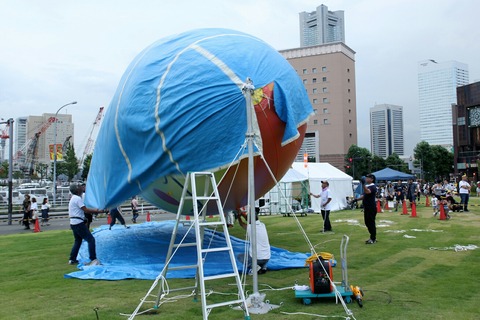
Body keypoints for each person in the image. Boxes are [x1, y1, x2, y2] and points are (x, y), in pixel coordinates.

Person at [68, 183, 105, 266]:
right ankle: (93, 259)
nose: (82, 188)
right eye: (80, 187)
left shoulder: (73, 198)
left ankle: (72, 259)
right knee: (91, 239)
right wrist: (98, 211)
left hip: (73, 223)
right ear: (77, 190)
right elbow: (86, 210)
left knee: (78, 241)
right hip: (78, 223)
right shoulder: (77, 198)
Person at [355, 173, 378, 244]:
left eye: (368, 178)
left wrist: (363, 184)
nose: (366, 179)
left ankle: (373, 238)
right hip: (367, 207)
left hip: (371, 207)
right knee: (367, 222)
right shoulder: (368, 186)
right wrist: (356, 200)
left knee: (370, 223)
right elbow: (364, 196)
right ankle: (372, 237)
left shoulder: (373, 186)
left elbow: (367, 192)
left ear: (372, 179)